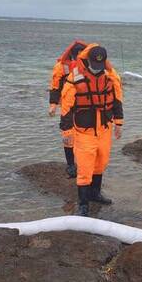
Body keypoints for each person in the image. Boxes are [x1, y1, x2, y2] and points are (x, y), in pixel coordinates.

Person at [60, 44, 123, 216]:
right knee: (85, 168)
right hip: (83, 131)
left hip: (104, 128)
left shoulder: (110, 76)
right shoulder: (75, 78)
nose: (97, 69)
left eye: (100, 66)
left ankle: (95, 194)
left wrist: (119, 122)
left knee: (101, 162)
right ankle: (83, 204)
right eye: (94, 65)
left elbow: (117, 100)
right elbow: (66, 107)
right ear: (87, 61)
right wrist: (67, 133)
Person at [49, 40, 87, 178]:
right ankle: (70, 165)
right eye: (81, 55)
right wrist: (53, 105)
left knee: (84, 135)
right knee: (68, 134)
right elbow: (55, 86)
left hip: (84, 105)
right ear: (75, 54)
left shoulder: (88, 66)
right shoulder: (61, 67)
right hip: (67, 106)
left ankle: (83, 163)